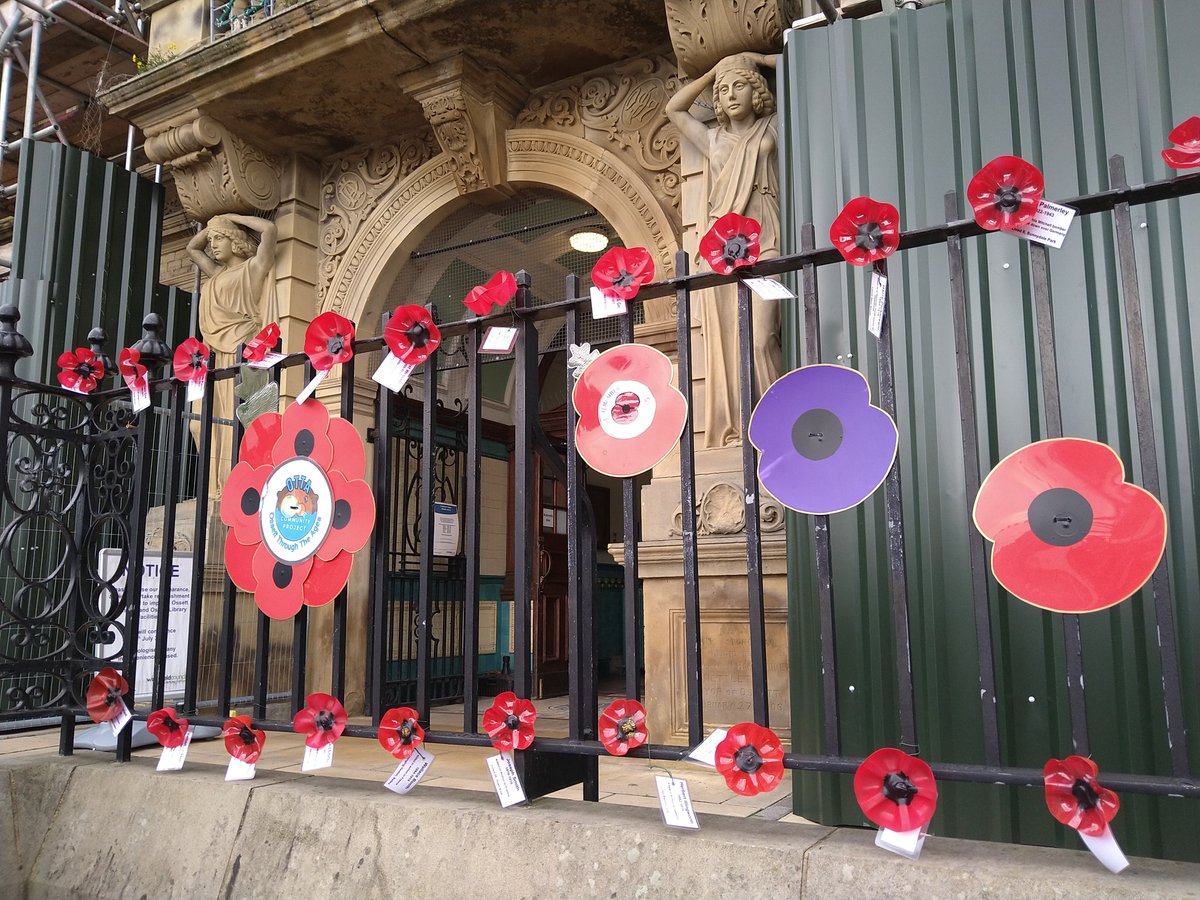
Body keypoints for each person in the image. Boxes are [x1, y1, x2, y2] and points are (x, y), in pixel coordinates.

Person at [666, 52, 784, 448]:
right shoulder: (712, 136)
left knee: (762, 339)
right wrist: (712, 73)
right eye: (724, 89)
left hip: (766, 240)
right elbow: (674, 109)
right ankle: (739, 427)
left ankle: (777, 424)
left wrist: (757, 58)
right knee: (729, 342)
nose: (731, 94)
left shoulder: (774, 126)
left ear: (758, 91)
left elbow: (802, 64)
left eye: (740, 85)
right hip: (723, 248)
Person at [187, 213, 278, 496]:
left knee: (235, 422)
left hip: (241, 357)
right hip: (214, 359)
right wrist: (213, 225)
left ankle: (233, 486)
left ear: (235, 242)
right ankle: (215, 485)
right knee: (198, 422)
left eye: (219, 239)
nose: (212, 245)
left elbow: (270, 230)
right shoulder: (216, 275)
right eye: (211, 240)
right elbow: (192, 248)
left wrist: (230, 218)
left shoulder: (252, 268)